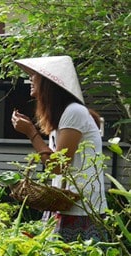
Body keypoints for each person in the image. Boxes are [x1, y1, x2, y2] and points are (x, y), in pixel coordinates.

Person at [11, 56, 107, 246]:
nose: (30, 79)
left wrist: (31, 133)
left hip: (80, 208)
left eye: (34, 76)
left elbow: (57, 167)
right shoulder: (64, 115)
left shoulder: (73, 113)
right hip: (65, 204)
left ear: (49, 83)